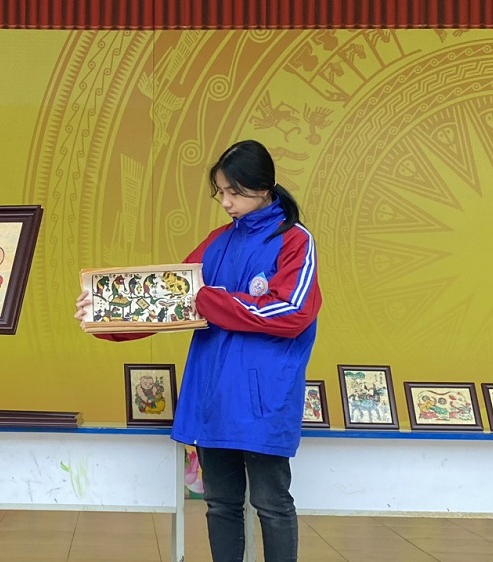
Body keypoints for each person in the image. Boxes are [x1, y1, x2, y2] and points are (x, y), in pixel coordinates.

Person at [75, 140, 321, 562]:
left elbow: (292, 312)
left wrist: (210, 300)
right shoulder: (217, 241)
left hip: (263, 398)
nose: (225, 202)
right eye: (220, 192)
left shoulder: (294, 240)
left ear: (265, 187)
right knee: (220, 503)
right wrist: (104, 316)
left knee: (272, 503)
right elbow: (171, 299)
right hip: (212, 395)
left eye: (235, 192)